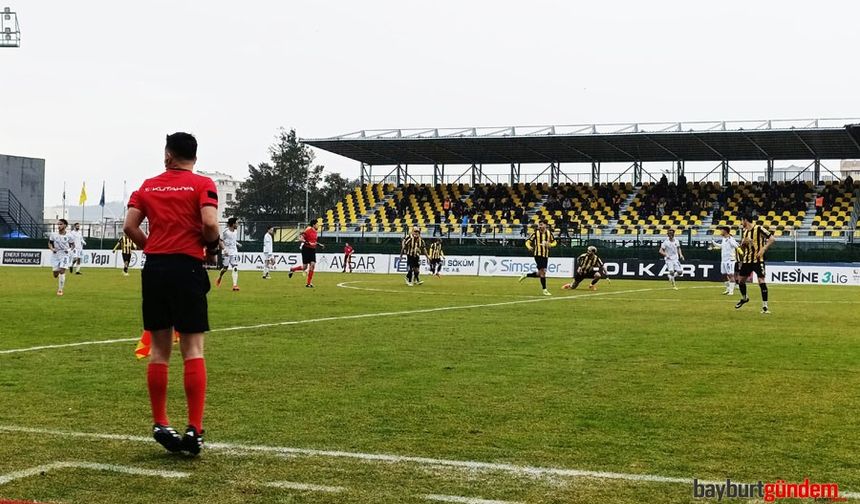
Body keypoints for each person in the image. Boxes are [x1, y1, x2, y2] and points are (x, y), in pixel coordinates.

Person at [123, 132, 219, 456]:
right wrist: (211, 246)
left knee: (159, 350)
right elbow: (209, 223)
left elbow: (129, 227)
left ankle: (161, 422)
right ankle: (195, 428)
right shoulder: (202, 184)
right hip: (187, 268)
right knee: (192, 348)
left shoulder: (147, 186)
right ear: (194, 156)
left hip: (155, 270)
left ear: (168, 155)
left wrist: (154, 248)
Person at [735, 214, 775, 314]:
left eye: (742, 220)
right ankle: (744, 298)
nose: (741, 223)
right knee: (741, 281)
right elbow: (742, 248)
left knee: (761, 280)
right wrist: (744, 243)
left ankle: (765, 307)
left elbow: (772, 239)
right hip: (747, 260)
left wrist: (763, 249)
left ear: (745, 220)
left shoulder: (759, 228)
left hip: (758, 260)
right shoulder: (744, 233)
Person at [518, 219, 556, 296]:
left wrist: (550, 245)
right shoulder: (536, 233)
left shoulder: (549, 233)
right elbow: (528, 241)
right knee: (542, 272)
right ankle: (545, 290)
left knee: (540, 273)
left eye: (541, 225)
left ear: (545, 225)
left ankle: (526, 275)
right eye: (539, 225)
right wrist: (529, 247)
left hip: (545, 255)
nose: (540, 226)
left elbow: (554, 242)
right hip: (537, 255)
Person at [289, 220, 324, 288]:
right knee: (304, 267)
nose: (318, 226)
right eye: (317, 224)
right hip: (306, 249)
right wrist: (307, 243)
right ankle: (292, 269)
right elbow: (300, 238)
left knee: (312, 265)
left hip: (312, 250)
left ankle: (308, 283)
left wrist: (319, 244)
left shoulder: (316, 232)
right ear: (313, 225)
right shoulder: (308, 230)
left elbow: (313, 241)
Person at [48, 219, 75, 296]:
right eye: (58, 224)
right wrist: (52, 249)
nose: (59, 226)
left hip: (65, 254)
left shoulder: (69, 236)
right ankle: (60, 271)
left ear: (65, 225)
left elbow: (73, 245)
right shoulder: (53, 234)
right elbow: (49, 244)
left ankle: (60, 290)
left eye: (61, 224)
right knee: (55, 274)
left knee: (62, 271)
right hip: (56, 255)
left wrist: (69, 250)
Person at [711, 226, 740, 295]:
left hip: (730, 260)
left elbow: (736, 245)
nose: (720, 232)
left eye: (722, 230)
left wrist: (737, 247)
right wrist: (714, 243)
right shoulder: (724, 239)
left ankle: (731, 291)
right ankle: (727, 289)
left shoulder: (730, 239)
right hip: (723, 260)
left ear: (725, 231)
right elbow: (722, 246)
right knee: (724, 275)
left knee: (730, 275)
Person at [216, 217, 241, 291]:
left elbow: (233, 240)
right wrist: (224, 249)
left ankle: (235, 285)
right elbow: (220, 241)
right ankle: (220, 276)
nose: (237, 225)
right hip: (226, 252)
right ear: (233, 224)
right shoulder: (225, 232)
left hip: (234, 252)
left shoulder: (235, 232)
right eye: (236, 223)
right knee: (225, 269)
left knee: (235, 267)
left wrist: (237, 243)